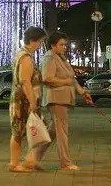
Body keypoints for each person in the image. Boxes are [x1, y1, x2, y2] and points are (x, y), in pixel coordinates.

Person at [35, 31, 93, 171]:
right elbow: (47, 78)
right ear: (53, 45)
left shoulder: (61, 58)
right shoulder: (49, 58)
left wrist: (83, 92)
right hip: (56, 99)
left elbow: (72, 79)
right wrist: (65, 81)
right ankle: (65, 163)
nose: (64, 47)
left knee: (53, 131)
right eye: (61, 44)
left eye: (65, 45)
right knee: (62, 132)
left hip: (63, 99)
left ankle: (34, 158)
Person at [8, 26, 47, 172]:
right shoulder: (26, 57)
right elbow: (25, 81)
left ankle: (27, 160)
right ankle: (16, 163)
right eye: (40, 41)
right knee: (22, 131)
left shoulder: (21, 54)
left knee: (25, 131)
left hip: (19, 99)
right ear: (32, 40)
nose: (40, 45)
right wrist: (32, 102)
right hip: (23, 100)